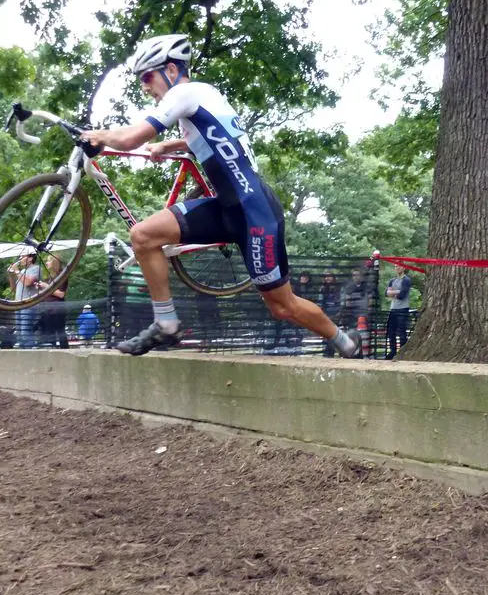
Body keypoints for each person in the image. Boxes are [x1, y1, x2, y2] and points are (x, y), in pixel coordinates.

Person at [80, 34, 361, 359]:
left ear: (171, 69)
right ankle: (166, 324)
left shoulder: (185, 92)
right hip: (227, 207)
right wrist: (169, 146)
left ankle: (344, 340)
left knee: (282, 307)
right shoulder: (204, 97)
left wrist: (99, 136)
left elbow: (130, 138)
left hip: (255, 213)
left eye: (147, 77)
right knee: (143, 236)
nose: (145, 86)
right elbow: (219, 139)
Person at [7, 252, 40, 348]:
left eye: (22, 256)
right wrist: (11, 275)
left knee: (26, 331)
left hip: (28, 305)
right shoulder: (22, 272)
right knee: (19, 333)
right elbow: (13, 288)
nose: (20, 258)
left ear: (30, 258)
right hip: (18, 305)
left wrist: (16, 271)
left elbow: (28, 282)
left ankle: (30, 355)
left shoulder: (36, 268)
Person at [36, 256, 70, 348]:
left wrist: (46, 286)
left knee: (60, 332)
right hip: (48, 309)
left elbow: (61, 294)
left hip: (57, 310)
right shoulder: (51, 277)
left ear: (54, 262)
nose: (46, 263)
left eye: (48, 261)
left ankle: (65, 352)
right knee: (50, 334)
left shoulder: (61, 276)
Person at [384, 264, 412, 359]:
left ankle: (402, 353)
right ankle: (393, 351)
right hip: (393, 308)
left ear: (404, 267)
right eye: (395, 266)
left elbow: (402, 295)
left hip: (403, 308)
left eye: (399, 266)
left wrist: (392, 292)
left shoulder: (406, 280)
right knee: (391, 331)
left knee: (402, 332)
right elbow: (386, 293)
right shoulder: (392, 280)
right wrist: (397, 292)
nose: (397, 268)